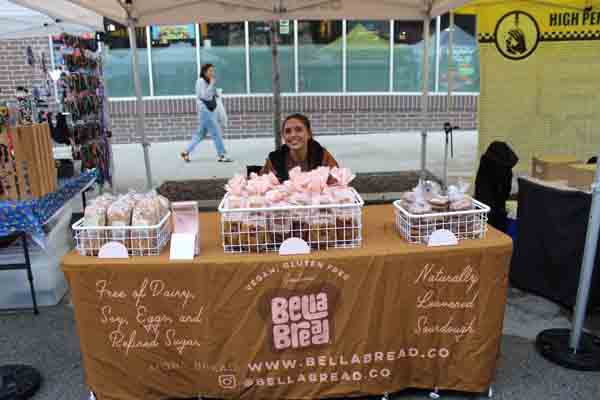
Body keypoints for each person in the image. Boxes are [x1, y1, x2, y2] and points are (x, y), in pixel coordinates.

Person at [261, 113, 338, 182]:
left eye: (298, 130)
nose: (293, 135)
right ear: (283, 137)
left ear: (309, 134)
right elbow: (262, 184)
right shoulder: (274, 159)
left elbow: (337, 183)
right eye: (288, 131)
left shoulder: (322, 155)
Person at [181, 63, 232, 163]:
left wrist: (216, 92)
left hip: (209, 110)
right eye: (210, 71)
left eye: (213, 71)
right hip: (205, 110)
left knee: (200, 134)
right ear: (204, 72)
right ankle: (222, 154)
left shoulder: (208, 81)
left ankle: (186, 151)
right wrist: (212, 84)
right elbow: (204, 96)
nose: (212, 73)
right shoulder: (200, 81)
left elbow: (210, 94)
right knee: (216, 132)